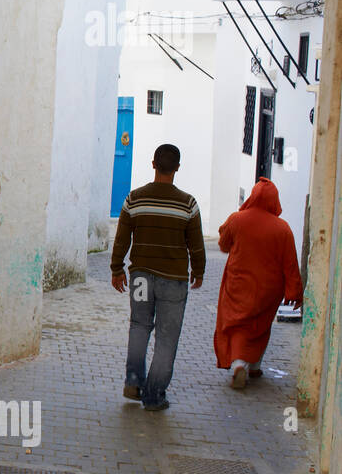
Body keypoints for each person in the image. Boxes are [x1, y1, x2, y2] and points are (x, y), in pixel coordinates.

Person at [110, 143, 205, 411]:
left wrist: (117, 268)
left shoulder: (135, 199)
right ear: (177, 168)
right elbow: (196, 245)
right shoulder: (188, 204)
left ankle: (132, 381)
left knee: (139, 326)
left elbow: (121, 238)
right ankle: (153, 396)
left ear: (153, 164)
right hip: (173, 281)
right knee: (166, 336)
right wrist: (198, 271)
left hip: (140, 278)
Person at [213, 177, 302, 389]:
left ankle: (237, 364)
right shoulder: (283, 229)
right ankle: (254, 365)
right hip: (268, 290)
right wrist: (294, 293)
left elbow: (223, 244)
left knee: (235, 324)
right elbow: (290, 264)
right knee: (259, 326)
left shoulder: (237, 219)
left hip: (238, 284)